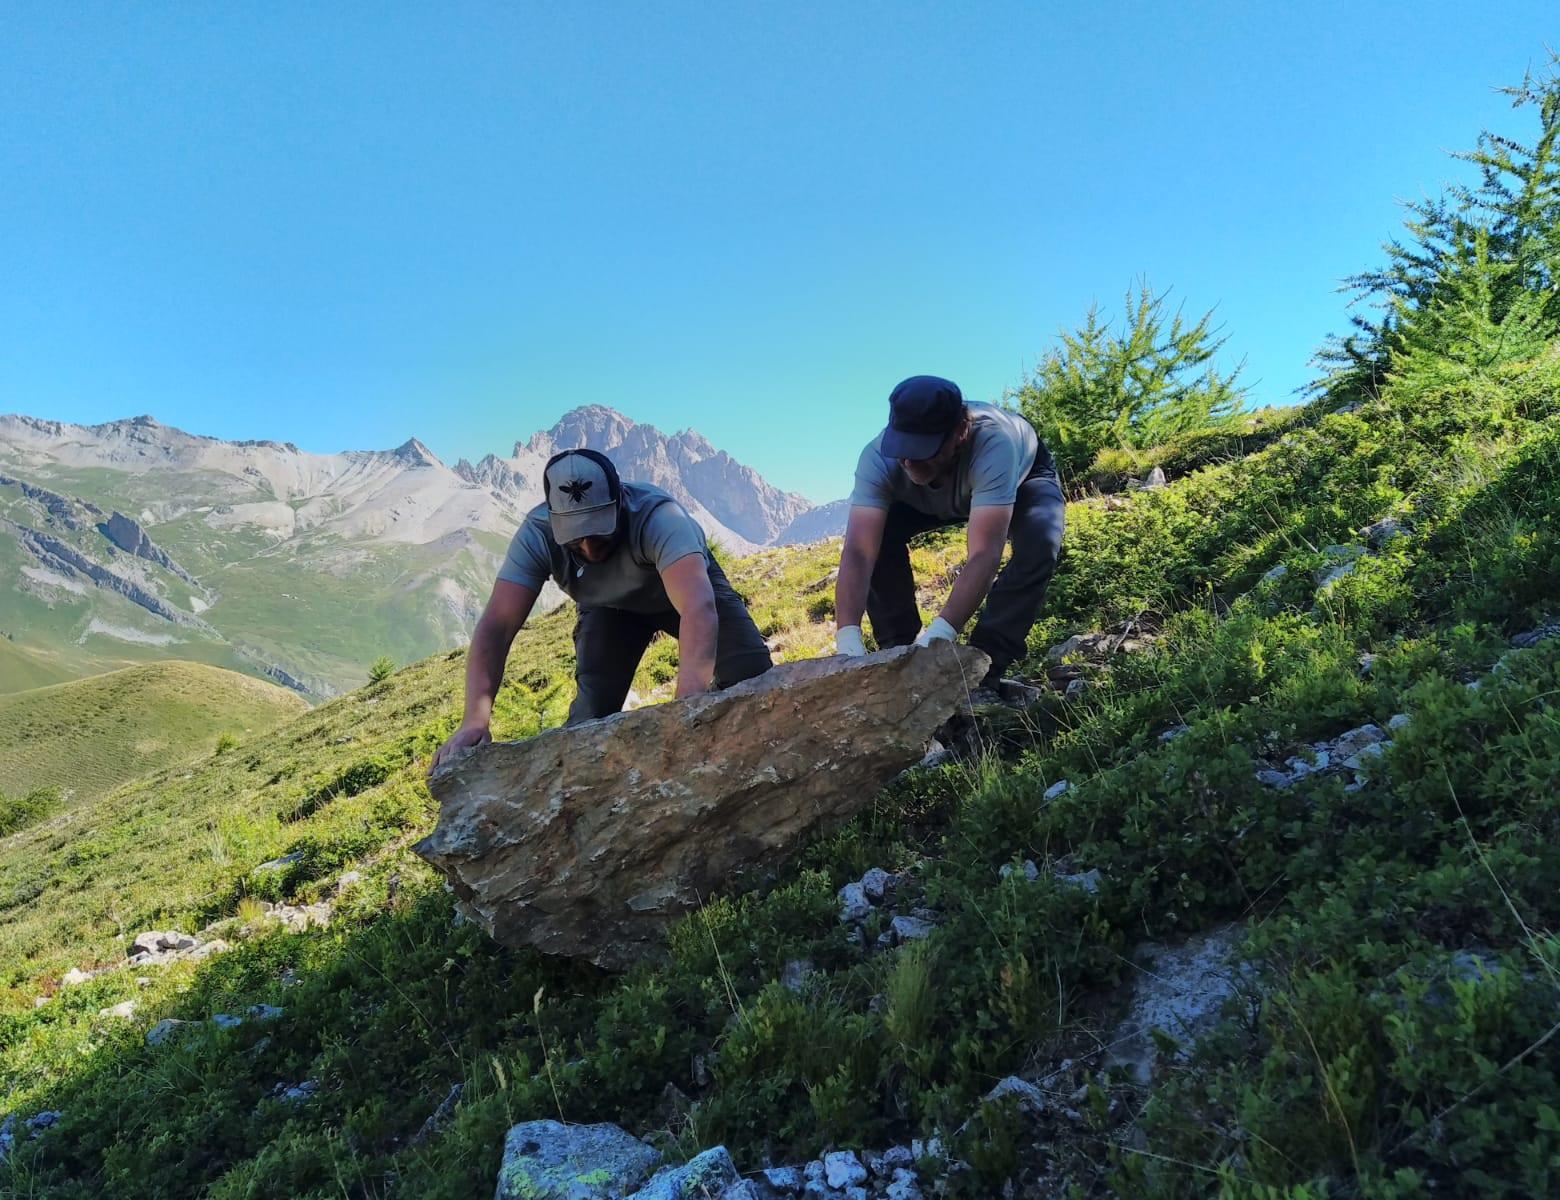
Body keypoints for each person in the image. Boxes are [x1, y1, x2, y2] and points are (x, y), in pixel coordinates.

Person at [430, 448, 772, 769]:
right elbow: (497, 627)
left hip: (681, 594)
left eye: (599, 530)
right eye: (576, 537)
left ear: (621, 500)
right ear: (553, 518)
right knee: (591, 717)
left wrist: (686, 709)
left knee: (750, 671)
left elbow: (698, 606)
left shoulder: (660, 517)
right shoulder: (536, 534)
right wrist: (474, 720)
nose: (590, 549)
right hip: (609, 610)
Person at [832, 375, 1065, 697]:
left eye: (921, 449)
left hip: (1021, 479)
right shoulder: (877, 459)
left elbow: (984, 553)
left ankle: (985, 669)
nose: (908, 460)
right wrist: (847, 642)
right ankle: (897, 655)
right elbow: (859, 551)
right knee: (879, 537)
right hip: (926, 496)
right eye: (902, 448)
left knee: (1040, 546)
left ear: (960, 433)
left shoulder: (995, 446)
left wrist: (938, 638)